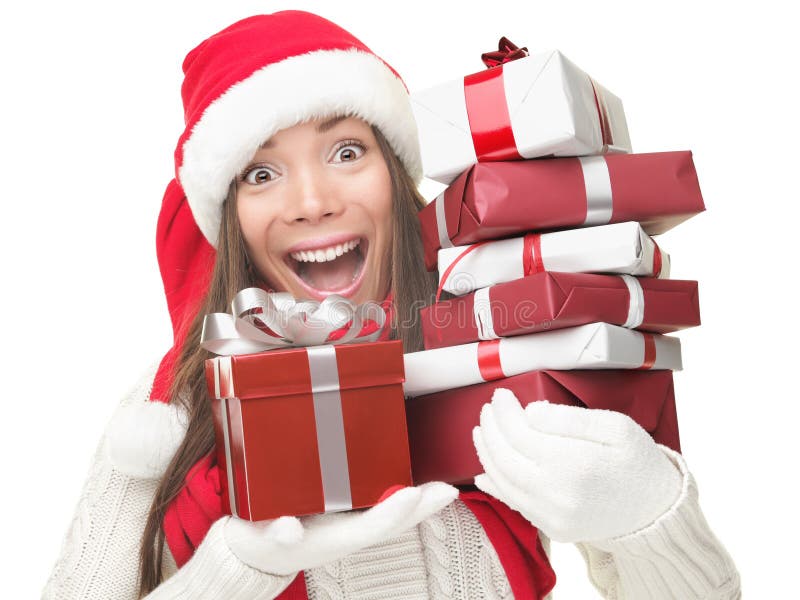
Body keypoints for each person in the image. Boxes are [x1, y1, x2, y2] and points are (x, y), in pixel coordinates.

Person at [41, 10, 741, 600]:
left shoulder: (507, 343)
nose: (313, 202)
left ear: (396, 177)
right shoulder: (170, 405)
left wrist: (648, 520)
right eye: (262, 173)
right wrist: (234, 571)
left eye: (346, 151)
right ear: (231, 217)